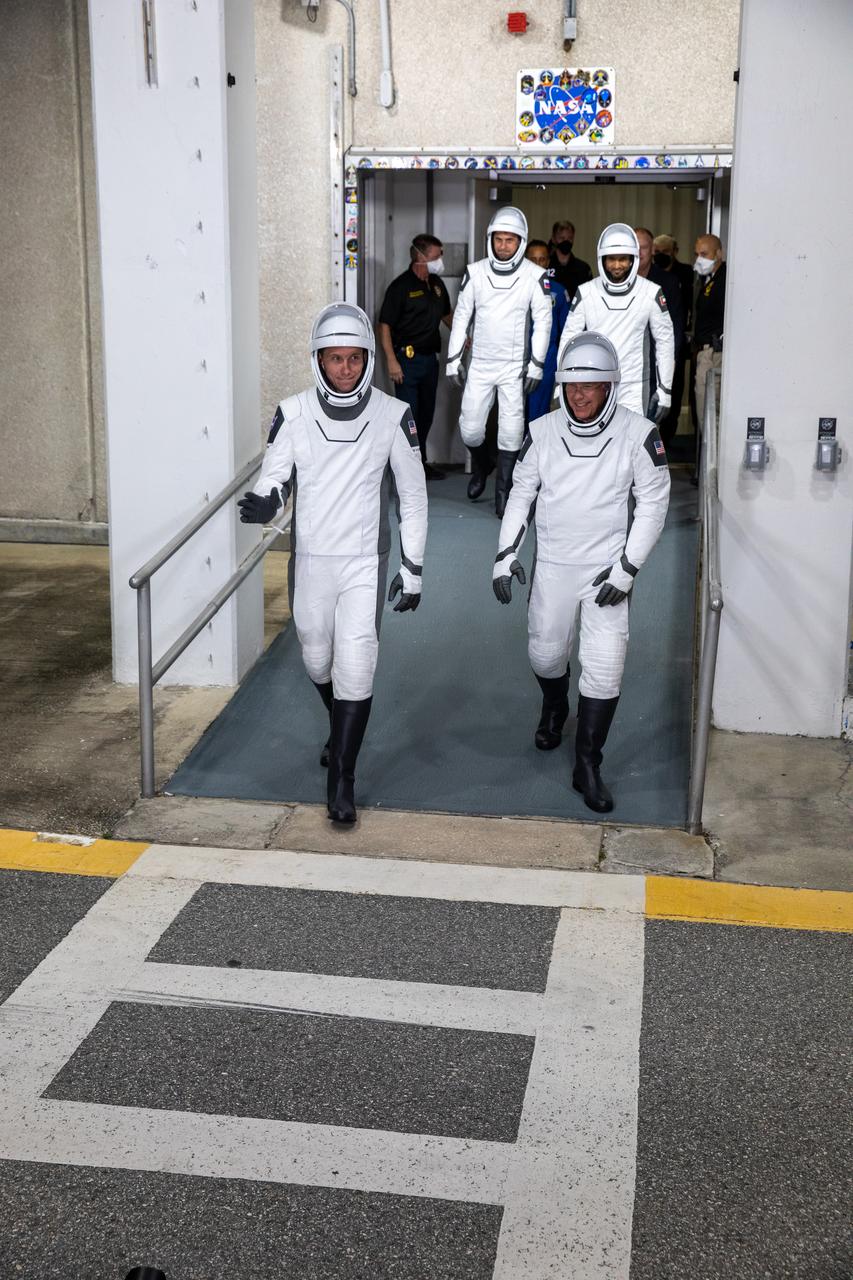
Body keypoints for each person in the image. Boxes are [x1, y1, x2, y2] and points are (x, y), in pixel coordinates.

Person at [238, 303, 428, 825]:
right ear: (318, 360)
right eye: (335, 358)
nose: (345, 369)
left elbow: (413, 498)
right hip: (312, 560)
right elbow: (274, 476)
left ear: (367, 358)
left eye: (354, 358)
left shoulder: (393, 415)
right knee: (317, 659)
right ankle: (339, 724)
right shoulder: (293, 412)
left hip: (365, 561)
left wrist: (412, 567)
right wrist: (267, 503)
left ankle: (342, 778)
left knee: (356, 664)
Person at [492, 332, 670, 813]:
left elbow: (653, 504)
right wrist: (505, 554)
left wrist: (627, 569)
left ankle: (587, 764)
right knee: (546, 656)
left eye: (589, 386)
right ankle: (555, 704)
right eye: (572, 386)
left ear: (610, 385)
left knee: (605, 669)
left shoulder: (639, 434)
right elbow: (521, 494)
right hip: (553, 566)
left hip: (607, 572)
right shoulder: (542, 430)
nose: (579, 395)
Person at [445, 206, 552, 516]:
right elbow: (462, 317)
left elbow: (543, 322)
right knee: (470, 430)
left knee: (511, 431)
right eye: (499, 239)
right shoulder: (475, 272)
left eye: (510, 240)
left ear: (521, 242)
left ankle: (504, 490)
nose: (504, 246)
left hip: (514, 366)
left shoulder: (535, 276)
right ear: (490, 239)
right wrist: (453, 360)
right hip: (480, 363)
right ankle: (483, 465)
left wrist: (536, 364)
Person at [560, 223, 675, 425]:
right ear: (602, 259)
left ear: (633, 259)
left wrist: (665, 390)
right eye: (611, 259)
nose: (617, 265)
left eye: (623, 259)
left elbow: (665, 342)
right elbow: (569, 339)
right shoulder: (586, 292)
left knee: (633, 441)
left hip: (634, 386)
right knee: (594, 439)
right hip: (594, 384)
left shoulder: (651, 292)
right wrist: (561, 383)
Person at [377, 234, 453, 481]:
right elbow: (385, 325)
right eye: (437, 255)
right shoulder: (400, 287)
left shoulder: (437, 284)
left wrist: (464, 336)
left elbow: (446, 315)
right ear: (420, 256)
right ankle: (404, 469)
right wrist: (391, 360)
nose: (441, 259)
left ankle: (419, 463)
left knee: (426, 414)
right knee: (408, 417)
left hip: (430, 361)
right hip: (406, 362)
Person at [635, 226, 684, 447]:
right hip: (625, 365)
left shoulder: (668, 282)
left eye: (644, 247)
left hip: (656, 365)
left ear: (651, 251)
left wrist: (668, 369)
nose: (639, 252)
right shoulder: (614, 280)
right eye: (634, 247)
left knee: (652, 425)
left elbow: (675, 329)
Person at [653, 233, 693, 446]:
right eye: (657, 252)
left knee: (674, 392)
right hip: (655, 343)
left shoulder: (685, 273)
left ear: (675, 252)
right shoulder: (650, 274)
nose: (661, 256)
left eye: (665, 252)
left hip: (677, 340)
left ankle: (667, 439)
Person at [525, 239, 570, 422]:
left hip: (546, 358)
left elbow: (568, 330)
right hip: (515, 354)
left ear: (548, 262)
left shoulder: (558, 291)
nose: (538, 264)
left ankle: (535, 440)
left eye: (542, 259)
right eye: (533, 260)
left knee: (538, 410)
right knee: (512, 409)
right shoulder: (513, 289)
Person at [693, 233, 726, 429]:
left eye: (704, 254)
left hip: (714, 354)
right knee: (705, 415)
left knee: (710, 417)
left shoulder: (725, 281)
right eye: (697, 254)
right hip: (706, 352)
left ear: (719, 254)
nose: (699, 259)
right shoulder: (708, 280)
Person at [548, 219, 592, 302]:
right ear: (553, 239)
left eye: (570, 238)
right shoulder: (546, 265)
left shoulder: (583, 268)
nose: (566, 241)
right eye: (562, 238)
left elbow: (589, 296)